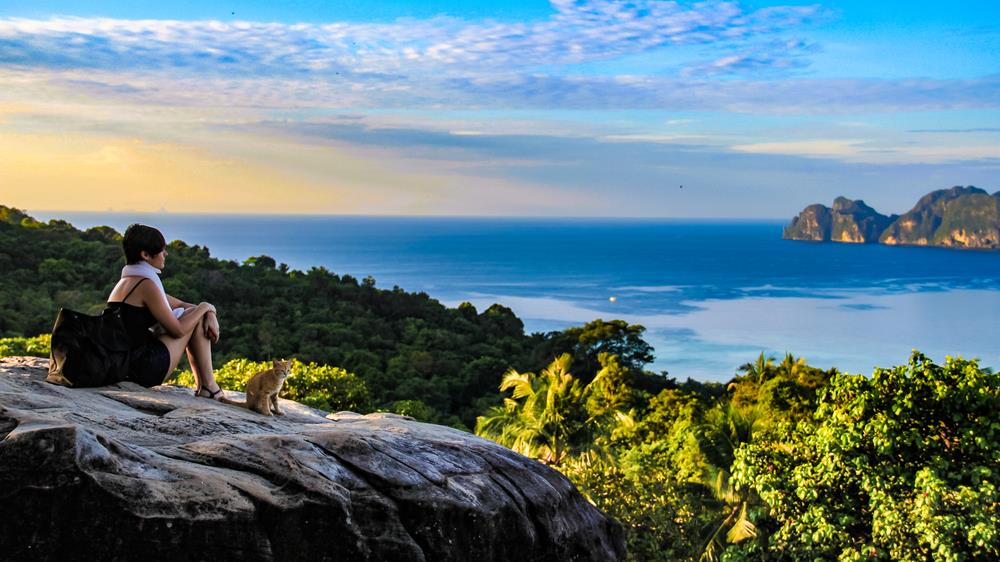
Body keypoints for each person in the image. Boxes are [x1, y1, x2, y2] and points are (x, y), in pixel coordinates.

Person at [106, 224, 226, 400]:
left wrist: (209, 312)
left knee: (196, 313)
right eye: (162, 250)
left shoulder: (130, 280)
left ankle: (207, 387)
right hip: (143, 367)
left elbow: (184, 306)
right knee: (196, 316)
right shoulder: (146, 285)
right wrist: (206, 306)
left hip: (127, 363)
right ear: (145, 255)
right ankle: (209, 387)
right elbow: (177, 330)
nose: (166, 254)